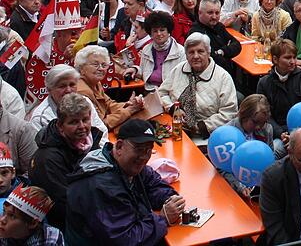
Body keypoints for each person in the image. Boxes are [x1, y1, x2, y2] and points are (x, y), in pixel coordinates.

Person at [65, 119, 184, 244]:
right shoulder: (101, 186)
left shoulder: (125, 164)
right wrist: (163, 219)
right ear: (120, 146)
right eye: (139, 149)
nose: (144, 157)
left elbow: (153, 184)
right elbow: (125, 240)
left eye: (148, 150)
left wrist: (171, 200)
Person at [29, 94, 103, 231]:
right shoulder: (47, 159)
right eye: (74, 122)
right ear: (60, 126)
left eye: (85, 120)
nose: (82, 126)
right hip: (67, 226)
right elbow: (63, 203)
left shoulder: (90, 142)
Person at [157, 32, 237, 138]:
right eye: (191, 52)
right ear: (186, 55)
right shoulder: (178, 69)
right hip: (174, 129)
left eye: (200, 51)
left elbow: (229, 113)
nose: (195, 56)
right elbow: (161, 93)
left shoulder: (223, 77)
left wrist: (200, 127)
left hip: (207, 137)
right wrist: (173, 109)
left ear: (208, 53)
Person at [256, 40, 301, 152]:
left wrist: (297, 135)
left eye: (294, 57)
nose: (293, 61)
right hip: (277, 134)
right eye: (288, 58)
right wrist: (280, 133)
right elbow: (265, 116)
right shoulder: (264, 83)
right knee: (275, 149)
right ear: (275, 59)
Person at [28, 65, 108, 142]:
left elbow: (101, 132)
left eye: (72, 85)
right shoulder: (41, 118)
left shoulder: (85, 102)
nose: (68, 90)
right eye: (62, 86)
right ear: (49, 90)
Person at [74, 46, 144, 130]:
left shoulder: (95, 83)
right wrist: (129, 110)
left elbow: (109, 104)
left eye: (104, 65)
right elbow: (100, 125)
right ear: (81, 68)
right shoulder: (82, 92)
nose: (101, 69)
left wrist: (129, 104)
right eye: (95, 65)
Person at [222, 94, 274, 197]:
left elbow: (270, 160)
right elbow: (223, 169)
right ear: (243, 115)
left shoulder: (267, 130)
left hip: (259, 185)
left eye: (263, 123)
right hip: (234, 184)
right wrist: (239, 186)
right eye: (255, 122)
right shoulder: (228, 134)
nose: (259, 127)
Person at [124, 11, 186, 91]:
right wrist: (135, 69)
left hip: (170, 93)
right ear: (150, 33)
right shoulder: (146, 49)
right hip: (148, 91)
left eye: (162, 30)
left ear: (169, 31)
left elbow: (182, 80)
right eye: (155, 31)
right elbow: (143, 72)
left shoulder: (180, 51)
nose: (159, 34)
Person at [189, 0, 242, 76]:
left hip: (226, 75)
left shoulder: (219, 26)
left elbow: (237, 45)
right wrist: (226, 52)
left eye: (217, 13)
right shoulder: (195, 33)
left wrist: (221, 51)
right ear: (200, 13)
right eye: (210, 13)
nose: (214, 17)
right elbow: (212, 60)